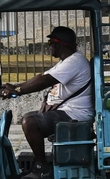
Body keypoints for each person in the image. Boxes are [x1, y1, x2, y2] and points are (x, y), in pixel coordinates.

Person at [9, 25, 93, 171]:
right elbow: (41, 77)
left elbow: (44, 82)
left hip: (75, 114)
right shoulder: (66, 61)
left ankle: (42, 167)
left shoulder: (74, 62)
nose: (49, 47)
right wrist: (14, 87)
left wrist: (17, 91)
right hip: (67, 111)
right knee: (28, 117)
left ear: (60, 45)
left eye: (51, 43)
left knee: (30, 122)